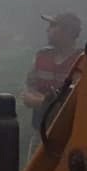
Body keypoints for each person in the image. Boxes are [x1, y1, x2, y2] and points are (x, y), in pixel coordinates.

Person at [22, 12, 83, 148]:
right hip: (40, 134)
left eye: (52, 26)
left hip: (70, 137)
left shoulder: (81, 61)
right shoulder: (42, 56)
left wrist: (43, 101)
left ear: (67, 31)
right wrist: (50, 101)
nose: (47, 30)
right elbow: (26, 95)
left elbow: (73, 104)